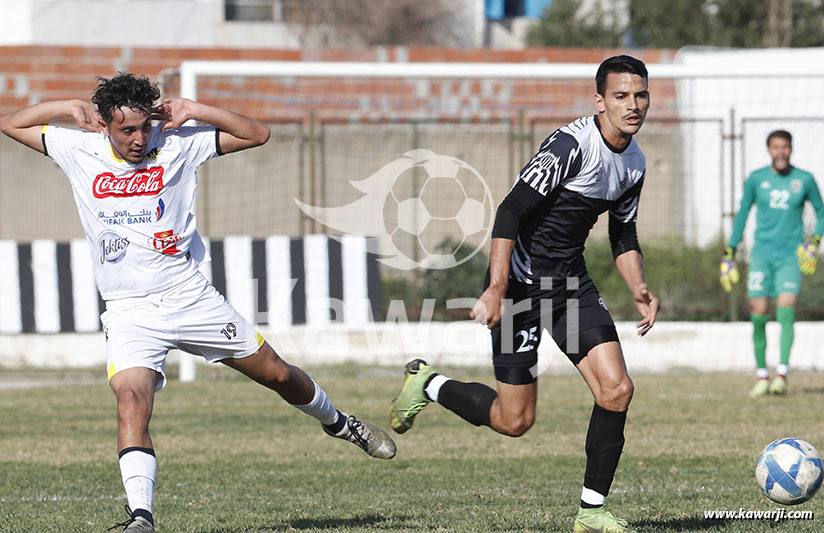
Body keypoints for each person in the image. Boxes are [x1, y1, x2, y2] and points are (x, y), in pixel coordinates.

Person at [0, 73, 396, 533]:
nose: (138, 138)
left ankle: (341, 423)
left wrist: (195, 110)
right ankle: (141, 518)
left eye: (144, 127)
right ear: (104, 126)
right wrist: (65, 105)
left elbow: (258, 133)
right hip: (129, 311)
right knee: (131, 398)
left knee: (279, 375)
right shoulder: (77, 148)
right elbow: (9, 123)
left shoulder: (177, 143)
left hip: (190, 298)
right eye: (126, 130)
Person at [390, 55, 657, 533]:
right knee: (514, 421)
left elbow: (623, 235)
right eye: (620, 96)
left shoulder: (633, 163)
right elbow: (510, 211)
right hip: (519, 288)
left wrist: (638, 286)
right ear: (600, 101)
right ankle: (427, 384)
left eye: (640, 95)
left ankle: (591, 513)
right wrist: (495, 289)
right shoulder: (571, 145)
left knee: (616, 389)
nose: (632, 105)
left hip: (570, 284)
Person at [719, 130, 824, 398]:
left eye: (785, 147)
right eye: (776, 147)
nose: (780, 152)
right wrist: (730, 250)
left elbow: (821, 213)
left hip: (790, 256)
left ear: (791, 149)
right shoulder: (756, 179)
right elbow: (742, 213)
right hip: (761, 257)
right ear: (769, 149)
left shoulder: (805, 179)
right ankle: (762, 375)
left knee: (786, 310)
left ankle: (782, 375)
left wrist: (814, 242)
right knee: (758, 314)